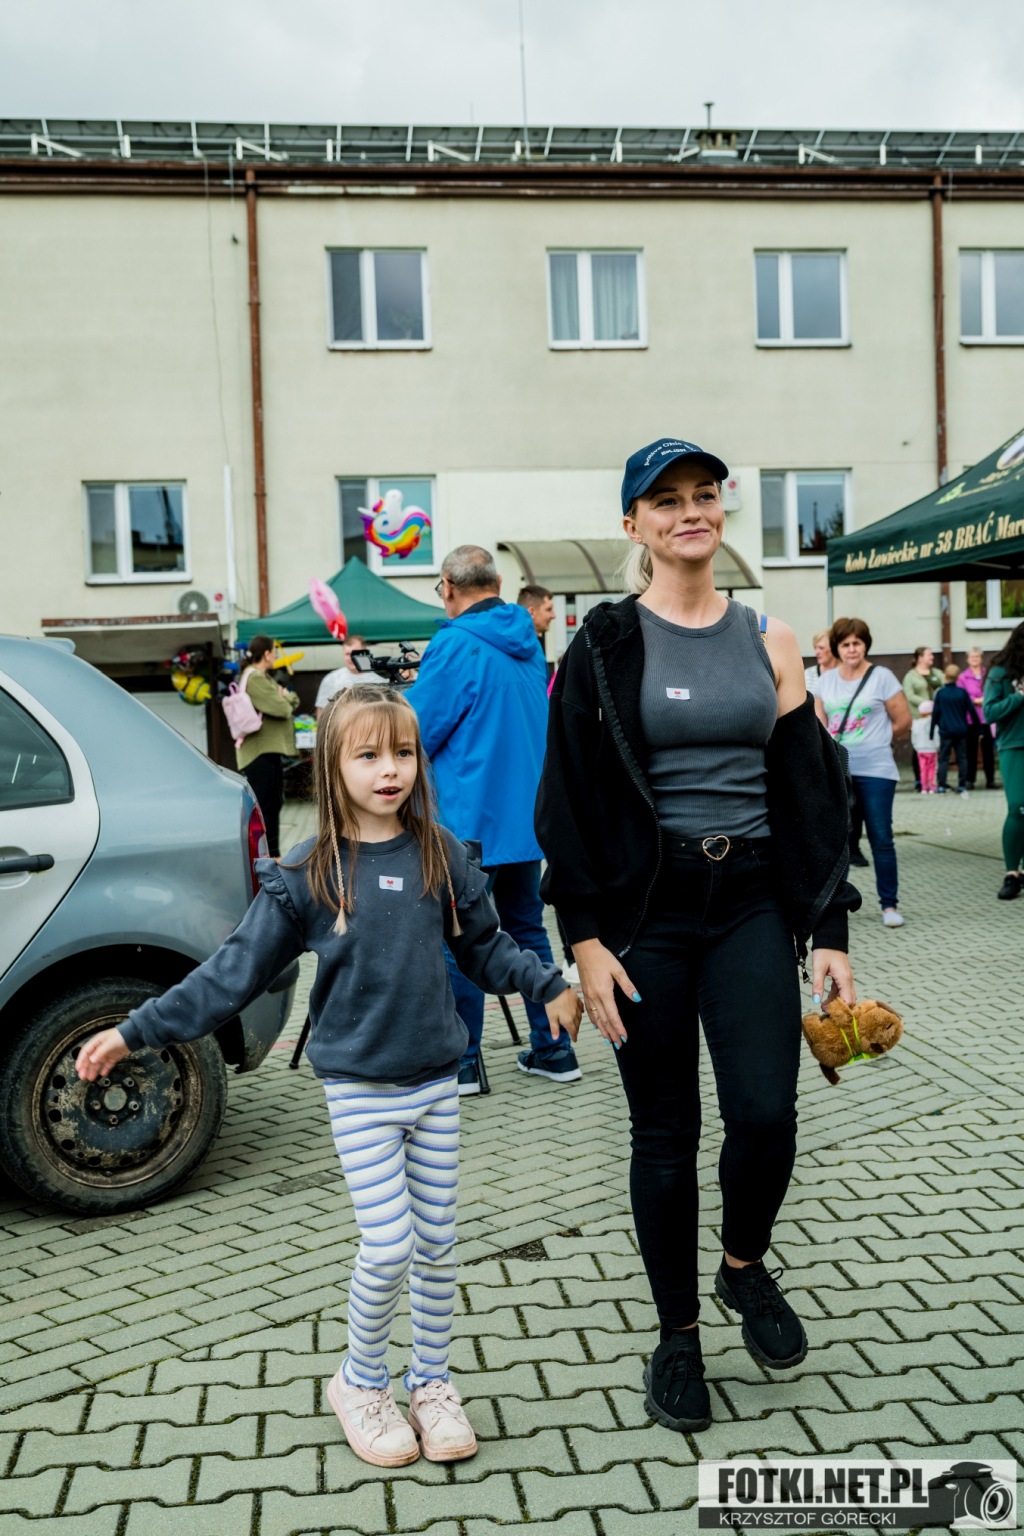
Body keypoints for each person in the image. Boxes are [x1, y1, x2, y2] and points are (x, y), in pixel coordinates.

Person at [75, 684, 581, 1468]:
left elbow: (485, 949)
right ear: (332, 765)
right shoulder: (308, 873)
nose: (390, 770)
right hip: (359, 1094)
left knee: (438, 1244)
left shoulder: (442, 855)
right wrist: (134, 1030)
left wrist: (546, 985)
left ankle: (432, 1382)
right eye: (368, 754)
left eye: (403, 752)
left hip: (435, 1085)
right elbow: (230, 975)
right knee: (389, 1245)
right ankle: (360, 1382)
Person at [537, 436, 860, 1435]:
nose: (690, 511)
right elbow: (567, 797)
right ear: (634, 524)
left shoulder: (771, 638)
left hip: (751, 902)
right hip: (647, 914)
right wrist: (583, 938)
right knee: (665, 1131)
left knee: (765, 1113)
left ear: (722, 510)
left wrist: (830, 926)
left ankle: (741, 1265)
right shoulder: (602, 645)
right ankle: (676, 1334)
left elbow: (810, 790)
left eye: (705, 494)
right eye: (667, 499)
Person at [407, 547, 578, 1096]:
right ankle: (555, 1050)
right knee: (527, 929)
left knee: (459, 938)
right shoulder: (528, 641)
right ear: (498, 583)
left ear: (448, 587)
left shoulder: (453, 643)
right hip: (525, 819)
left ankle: (462, 1064)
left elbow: (417, 732)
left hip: (468, 822)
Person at [813, 617, 911, 928]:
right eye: (845, 644)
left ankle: (889, 905)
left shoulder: (882, 677)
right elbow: (819, 726)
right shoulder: (825, 681)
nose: (852, 649)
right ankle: (835, 907)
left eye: (857, 643)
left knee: (881, 838)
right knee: (838, 841)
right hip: (839, 772)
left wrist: (877, 740)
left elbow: (903, 720)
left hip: (877, 770)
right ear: (837, 648)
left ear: (866, 644)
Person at [236, 634, 299, 857]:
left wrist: (285, 697)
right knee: (264, 807)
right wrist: (286, 697)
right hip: (259, 751)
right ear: (266, 654)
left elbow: (287, 701)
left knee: (273, 805)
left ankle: (273, 855)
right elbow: (283, 708)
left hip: (268, 750)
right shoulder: (255, 678)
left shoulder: (263, 677)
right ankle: (264, 856)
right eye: (274, 651)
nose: (275, 656)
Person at [983, 621, 1024, 900]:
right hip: (1015, 746)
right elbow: (990, 712)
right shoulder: (1000, 672)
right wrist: (1019, 695)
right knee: (1018, 807)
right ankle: (1012, 873)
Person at [930, 664, 978, 796]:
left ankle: (941, 785)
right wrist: (978, 727)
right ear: (957, 677)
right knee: (962, 758)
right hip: (961, 730)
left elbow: (936, 713)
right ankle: (962, 785)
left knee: (944, 758)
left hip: (945, 731)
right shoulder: (962, 693)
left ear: (945, 676)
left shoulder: (941, 694)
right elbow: (972, 711)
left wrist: (931, 731)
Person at [902, 647, 943, 791]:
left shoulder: (936, 673)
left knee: (935, 748)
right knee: (920, 748)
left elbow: (945, 685)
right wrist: (926, 704)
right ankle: (920, 780)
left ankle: (934, 780)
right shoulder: (910, 676)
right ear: (920, 658)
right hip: (919, 717)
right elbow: (909, 695)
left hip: (937, 717)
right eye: (929, 655)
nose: (932, 657)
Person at [316, 634, 385, 718]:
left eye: (355, 653)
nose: (351, 658)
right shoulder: (331, 679)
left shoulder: (379, 681)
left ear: (364, 653)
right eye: (347, 654)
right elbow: (322, 710)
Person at [958, 647, 996, 790]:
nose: (974, 659)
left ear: (981, 658)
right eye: (972, 656)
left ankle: (990, 780)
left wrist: (984, 699)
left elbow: (993, 690)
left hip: (987, 718)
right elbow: (962, 695)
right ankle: (970, 780)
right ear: (967, 659)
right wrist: (976, 700)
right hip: (970, 719)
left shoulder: (988, 674)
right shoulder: (963, 677)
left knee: (988, 752)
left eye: (977, 656)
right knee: (970, 751)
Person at [910, 699, 938, 793]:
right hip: (931, 749)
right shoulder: (933, 723)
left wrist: (916, 746)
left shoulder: (915, 723)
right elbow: (936, 736)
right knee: (932, 768)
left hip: (920, 749)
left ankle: (924, 787)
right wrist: (938, 746)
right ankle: (932, 787)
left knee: (923, 769)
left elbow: (913, 737)